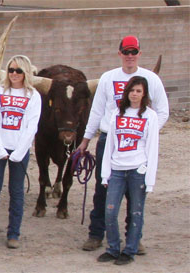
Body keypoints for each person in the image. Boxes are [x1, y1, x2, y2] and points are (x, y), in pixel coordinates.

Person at [78, 35, 169, 253]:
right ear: (119, 53)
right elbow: (97, 110)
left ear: (139, 53)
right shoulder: (108, 78)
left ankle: (134, 238)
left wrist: (145, 133)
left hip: (138, 144)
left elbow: (163, 111)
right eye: (126, 52)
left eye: (133, 52)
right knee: (103, 187)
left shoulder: (151, 79)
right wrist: (85, 140)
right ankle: (96, 234)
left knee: (135, 190)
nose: (130, 56)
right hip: (110, 140)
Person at [0, 55, 41, 249]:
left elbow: (32, 126)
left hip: (19, 151)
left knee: (16, 192)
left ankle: (13, 233)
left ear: (26, 73)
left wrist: (19, 152)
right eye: (11, 70)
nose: (14, 74)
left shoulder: (33, 96)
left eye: (19, 71)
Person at [96, 76, 159, 265]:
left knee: (135, 212)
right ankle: (113, 248)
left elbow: (152, 148)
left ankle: (130, 250)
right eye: (132, 90)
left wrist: (149, 178)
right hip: (117, 170)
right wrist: (105, 173)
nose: (134, 94)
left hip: (137, 170)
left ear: (144, 94)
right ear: (127, 92)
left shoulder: (150, 116)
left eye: (139, 91)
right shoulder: (117, 114)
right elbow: (110, 146)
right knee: (110, 212)